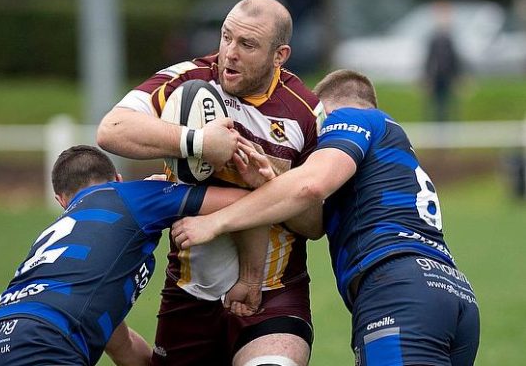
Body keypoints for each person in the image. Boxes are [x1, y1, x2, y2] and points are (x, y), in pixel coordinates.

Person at [172, 69, 480, 365]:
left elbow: (311, 184)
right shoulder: (388, 149)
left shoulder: (349, 118)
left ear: (324, 113)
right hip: (451, 290)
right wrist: (267, 182)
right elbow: (313, 222)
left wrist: (216, 221)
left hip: (398, 291)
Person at [97, 0, 321, 366]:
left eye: (247, 45)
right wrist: (198, 142)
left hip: (274, 293)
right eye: (226, 37)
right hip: (189, 292)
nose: (230, 53)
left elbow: (314, 225)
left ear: (279, 55)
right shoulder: (186, 81)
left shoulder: (306, 112)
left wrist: (272, 182)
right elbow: (111, 130)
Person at [0, 145, 260, 366]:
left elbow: (124, 347)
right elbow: (246, 202)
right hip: (45, 342)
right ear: (117, 177)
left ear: (62, 201)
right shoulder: (129, 195)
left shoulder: (60, 248)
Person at [424, 0, 460, 122]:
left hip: (448, 77)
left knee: (449, 105)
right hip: (437, 77)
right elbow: (429, 59)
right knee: (437, 105)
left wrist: (458, 76)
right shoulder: (433, 38)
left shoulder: (451, 37)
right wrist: (428, 77)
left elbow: (455, 59)